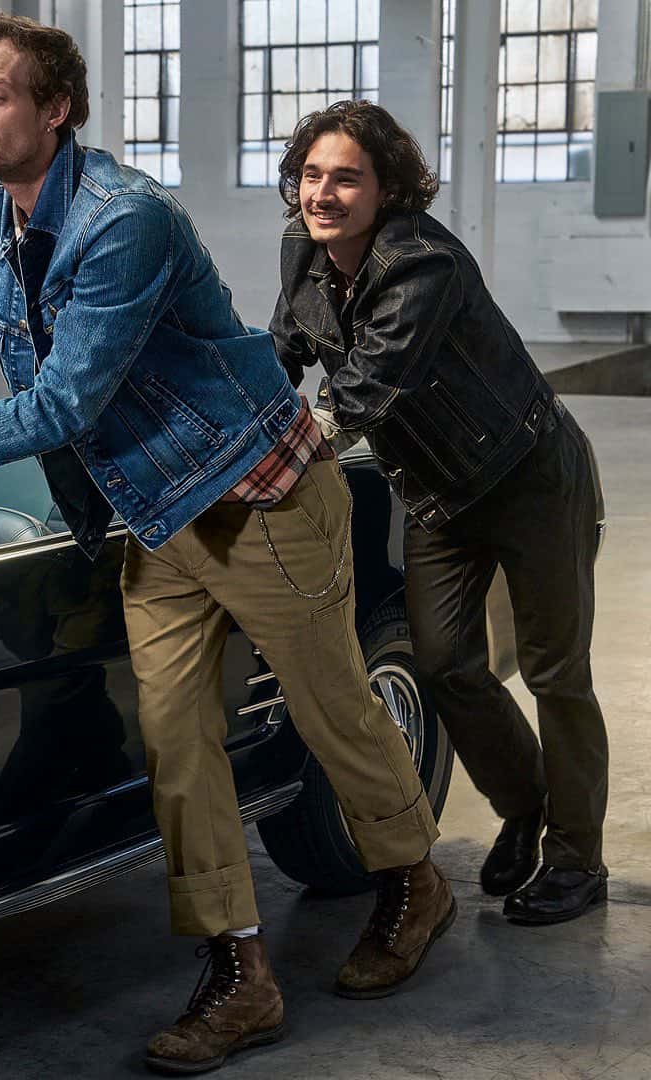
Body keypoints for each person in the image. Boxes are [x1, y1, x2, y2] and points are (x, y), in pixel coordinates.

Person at [0, 18, 453, 1073]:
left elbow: (66, 400)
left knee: (333, 708)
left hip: (261, 496)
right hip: (157, 518)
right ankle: (238, 971)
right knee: (175, 737)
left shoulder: (127, 220)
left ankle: (414, 878)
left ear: (56, 108)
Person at [269, 100, 608, 927]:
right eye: (312, 175)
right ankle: (524, 805)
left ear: (387, 190)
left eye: (347, 177)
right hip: (438, 492)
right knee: (447, 664)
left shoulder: (424, 264)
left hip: (530, 479)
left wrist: (274, 452)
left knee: (556, 673)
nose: (323, 194)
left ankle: (576, 857)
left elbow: (362, 390)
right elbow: (280, 355)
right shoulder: (304, 257)